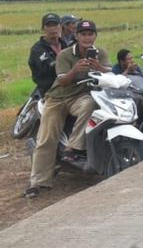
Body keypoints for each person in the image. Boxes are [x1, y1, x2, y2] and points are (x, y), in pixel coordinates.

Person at [24, 19, 109, 198]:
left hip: (80, 98)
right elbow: (62, 80)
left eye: (90, 34)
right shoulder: (65, 54)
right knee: (47, 138)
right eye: (83, 34)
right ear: (76, 36)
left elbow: (110, 74)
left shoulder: (100, 53)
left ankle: (72, 147)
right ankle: (38, 182)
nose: (87, 38)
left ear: (95, 35)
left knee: (91, 104)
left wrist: (98, 67)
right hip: (57, 98)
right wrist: (75, 70)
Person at [28, 12, 66, 95]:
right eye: (49, 25)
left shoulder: (65, 44)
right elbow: (47, 68)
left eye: (55, 25)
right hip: (48, 90)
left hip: (69, 86)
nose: (52, 28)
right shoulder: (37, 49)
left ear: (61, 27)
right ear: (43, 29)